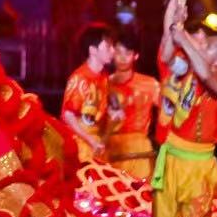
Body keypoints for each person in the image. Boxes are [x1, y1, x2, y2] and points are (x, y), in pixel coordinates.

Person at [136, 0, 217, 217]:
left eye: (207, 45)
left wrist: (184, 38)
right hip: (172, 155)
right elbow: (166, 53)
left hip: (199, 163)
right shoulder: (183, 71)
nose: (199, 47)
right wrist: (172, 13)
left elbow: (204, 73)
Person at [103, 32, 158, 180]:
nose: (122, 58)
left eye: (127, 53)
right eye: (118, 52)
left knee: (139, 197)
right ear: (112, 53)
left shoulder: (150, 84)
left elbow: (169, 115)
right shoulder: (103, 84)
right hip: (111, 148)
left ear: (136, 55)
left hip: (139, 149)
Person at [59, 24, 113, 161]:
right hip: (79, 145)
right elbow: (68, 116)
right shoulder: (80, 78)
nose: (113, 51)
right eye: (108, 47)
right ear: (93, 50)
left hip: (95, 143)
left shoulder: (104, 77)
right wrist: (89, 139)